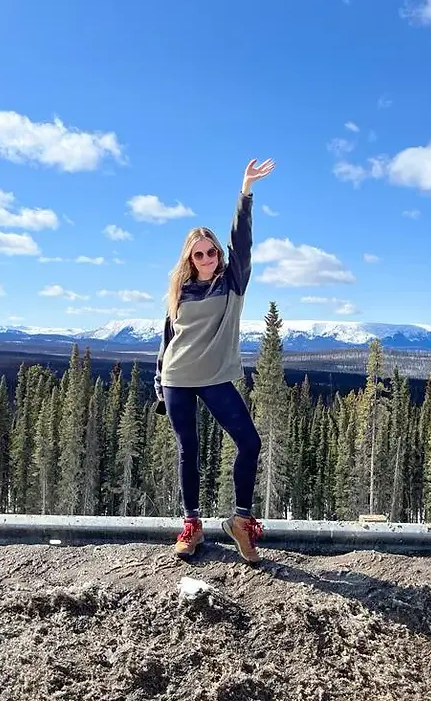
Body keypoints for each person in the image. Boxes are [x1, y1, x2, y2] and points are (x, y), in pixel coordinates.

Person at [154, 157, 276, 564]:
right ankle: (192, 525)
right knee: (189, 449)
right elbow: (169, 339)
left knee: (250, 442)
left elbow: (242, 242)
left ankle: (241, 521)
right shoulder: (180, 292)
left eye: (210, 253)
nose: (206, 259)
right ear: (189, 259)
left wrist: (245, 191)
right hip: (177, 377)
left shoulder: (232, 282)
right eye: (198, 255)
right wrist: (159, 384)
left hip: (214, 377)